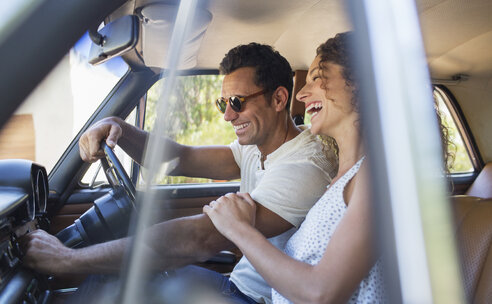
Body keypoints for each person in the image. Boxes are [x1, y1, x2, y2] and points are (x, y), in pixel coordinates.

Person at [21, 43, 337, 303]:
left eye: (237, 102)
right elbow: (180, 157)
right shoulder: (257, 146)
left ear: (279, 99)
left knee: (113, 278)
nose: (228, 115)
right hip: (237, 285)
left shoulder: (303, 168)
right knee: (116, 275)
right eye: (223, 103)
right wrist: (120, 128)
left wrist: (67, 259)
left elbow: (202, 236)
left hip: (255, 298)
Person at [203, 33, 387, 303]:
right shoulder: (346, 176)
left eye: (316, 78)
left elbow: (321, 293)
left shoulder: (377, 178)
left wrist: (238, 229)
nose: (301, 93)